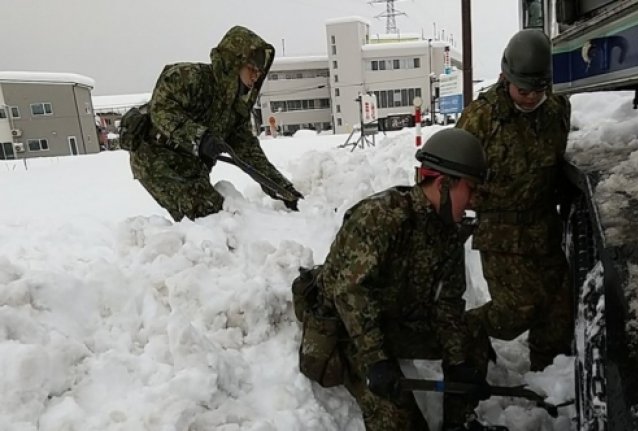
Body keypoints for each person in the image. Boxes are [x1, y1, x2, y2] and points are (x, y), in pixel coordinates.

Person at [318, 128, 494, 431]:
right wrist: (377, 361)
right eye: (471, 189)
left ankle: (459, 421)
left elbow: (447, 304)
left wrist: (458, 363)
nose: (474, 201)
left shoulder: (447, 229)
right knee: (399, 419)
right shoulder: (381, 217)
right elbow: (350, 294)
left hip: (397, 318)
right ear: (444, 184)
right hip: (351, 328)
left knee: (472, 336)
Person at [456, 29, 574, 371]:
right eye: (523, 90)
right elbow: (453, 175)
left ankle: (549, 379)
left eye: (538, 90)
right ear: (505, 77)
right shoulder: (479, 119)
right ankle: (461, 330)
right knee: (515, 311)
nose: (529, 98)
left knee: (557, 311)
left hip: (543, 226)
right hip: (500, 229)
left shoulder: (556, 109)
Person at [129, 25, 303, 222]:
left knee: (219, 217)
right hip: (157, 159)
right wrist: (200, 137)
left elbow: (250, 156)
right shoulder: (190, 78)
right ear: (234, 62)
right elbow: (161, 110)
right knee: (208, 216)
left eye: (259, 72)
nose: (256, 76)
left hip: (193, 165)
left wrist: (284, 190)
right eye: (252, 69)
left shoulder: (235, 110)